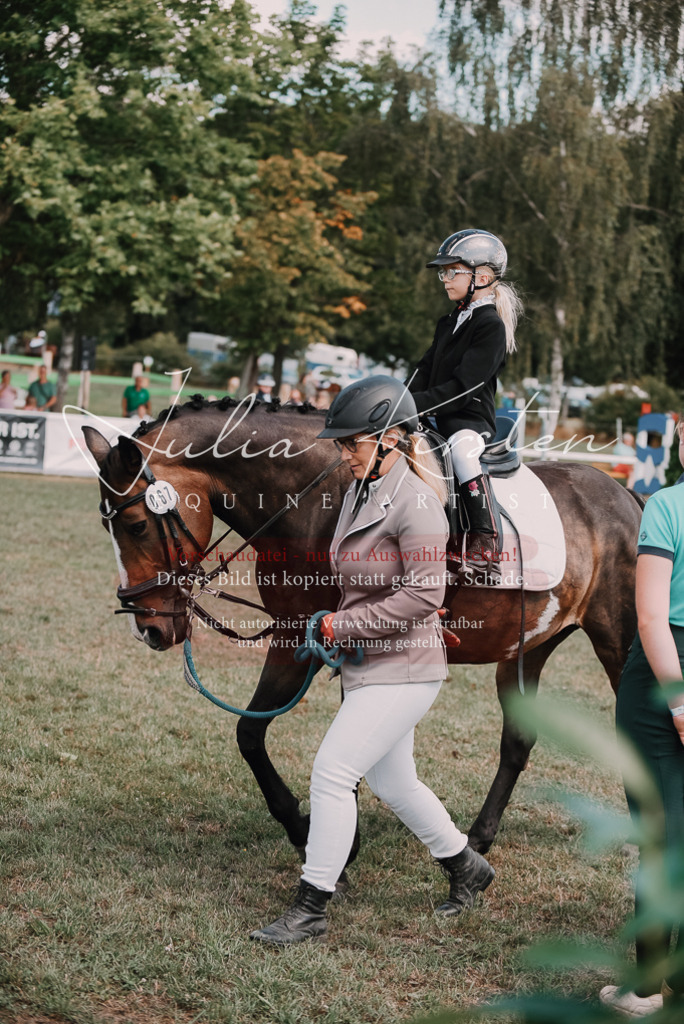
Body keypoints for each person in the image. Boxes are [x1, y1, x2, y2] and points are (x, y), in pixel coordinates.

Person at [250, 376, 495, 946]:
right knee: (394, 781)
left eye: (352, 443)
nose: (344, 453)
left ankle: (311, 907)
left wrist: (341, 626)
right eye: (341, 443)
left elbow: (425, 596)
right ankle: (467, 866)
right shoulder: (360, 491)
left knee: (333, 773)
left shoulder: (419, 505)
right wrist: (333, 625)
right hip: (370, 663)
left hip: (406, 667)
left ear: (389, 439)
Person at [600, 416, 684, 1017]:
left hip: (661, 673)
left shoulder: (667, 506)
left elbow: (652, 617)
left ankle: (649, 989)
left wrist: (677, 701)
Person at [407, 228, 522, 575]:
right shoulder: (448, 322)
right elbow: (423, 369)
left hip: (468, 419)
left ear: (482, 277)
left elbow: (464, 388)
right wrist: (399, 398)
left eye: (452, 271)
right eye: (443, 273)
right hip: (433, 416)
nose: (445, 279)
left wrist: (418, 404)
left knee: (462, 454)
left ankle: (485, 543)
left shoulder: (490, 326)